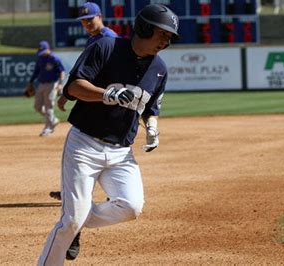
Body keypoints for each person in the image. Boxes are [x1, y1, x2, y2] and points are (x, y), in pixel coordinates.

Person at [37, 4, 179, 265]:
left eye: (169, 37)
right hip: (84, 145)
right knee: (69, 223)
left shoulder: (159, 69)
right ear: (145, 28)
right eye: (162, 34)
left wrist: (152, 128)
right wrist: (106, 94)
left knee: (131, 207)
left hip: (121, 153)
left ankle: (78, 216)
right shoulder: (106, 48)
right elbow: (74, 86)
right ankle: (70, 225)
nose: (166, 41)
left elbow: (151, 108)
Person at [56, 2, 118, 113]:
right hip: (96, 93)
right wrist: (66, 94)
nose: (87, 23)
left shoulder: (109, 37)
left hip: (107, 91)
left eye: (90, 18)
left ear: (99, 17)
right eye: (83, 20)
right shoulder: (92, 39)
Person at [27, 40, 65, 137]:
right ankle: (53, 120)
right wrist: (30, 82)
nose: (42, 53)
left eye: (43, 51)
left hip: (52, 84)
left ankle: (48, 128)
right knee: (37, 107)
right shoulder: (40, 59)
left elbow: (62, 71)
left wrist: (61, 84)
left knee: (48, 107)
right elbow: (36, 72)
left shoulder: (54, 58)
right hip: (41, 84)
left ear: (48, 49)